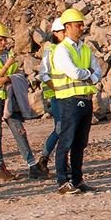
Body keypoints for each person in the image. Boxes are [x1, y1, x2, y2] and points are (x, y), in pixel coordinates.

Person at [0, 23, 41, 181]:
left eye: (4, 40)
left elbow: (18, 76)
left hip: (9, 96)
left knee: (19, 130)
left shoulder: (9, 56)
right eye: (0, 40)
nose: (4, 43)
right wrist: (7, 66)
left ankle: (32, 166)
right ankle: (0, 167)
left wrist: (7, 78)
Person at [51, 8, 102, 195]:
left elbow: (98, 71)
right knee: (66, 141)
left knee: (80, 143)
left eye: (82, 25)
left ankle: (77, 179)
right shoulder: (62, 50)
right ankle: (62, 181)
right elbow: (74, 72)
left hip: (85, 99)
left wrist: (89, 74)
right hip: (69, 100)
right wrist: (89, 73)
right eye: (77, 25)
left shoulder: (85, 49)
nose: (81, 28)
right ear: (67, 27)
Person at [34, 17, 65, 177]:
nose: (65, 34)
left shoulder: (66, 48)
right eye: (62, 32)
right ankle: (44, 159)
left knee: (65, 129)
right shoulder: (51, 49)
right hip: (57, 95)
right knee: (60, 128)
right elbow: (44, 74)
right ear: (55, 33)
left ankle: (61, 161)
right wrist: (57, 89)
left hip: (67, 94)